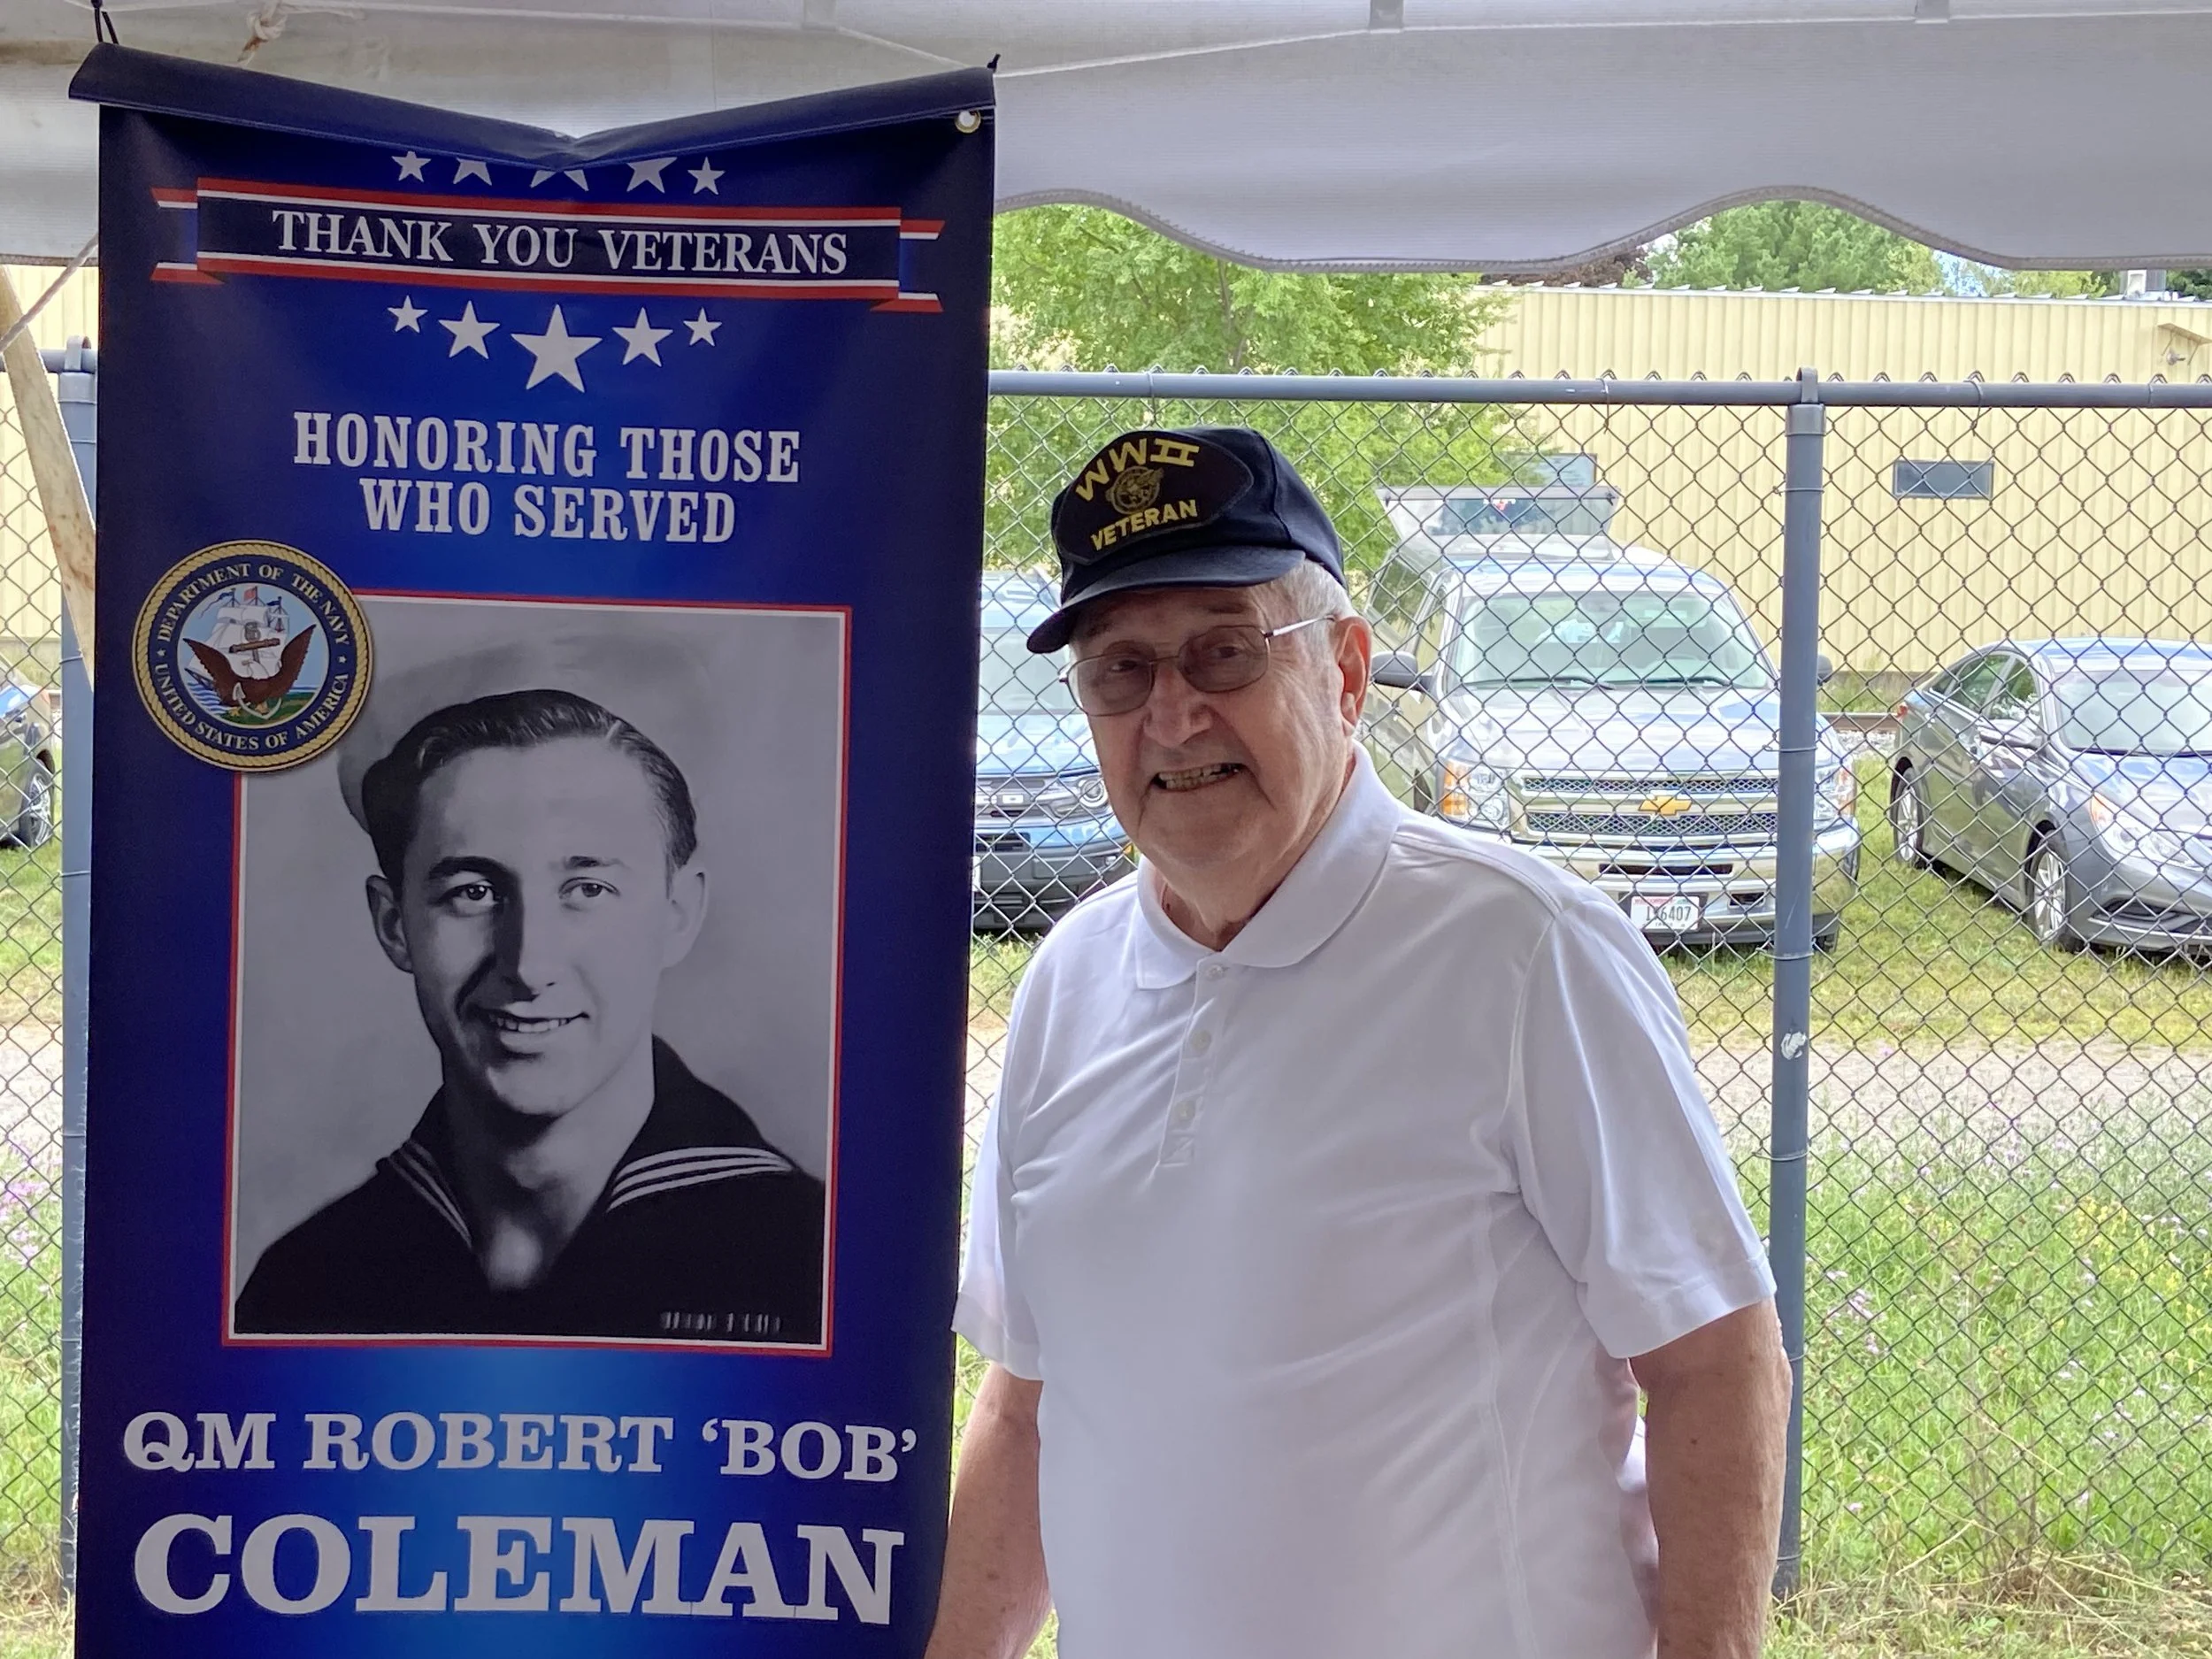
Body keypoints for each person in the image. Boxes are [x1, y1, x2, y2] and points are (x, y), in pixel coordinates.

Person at [930, 427, 1793, 1658]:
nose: (1173, 712)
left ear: (1344, 669)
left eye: (1224, 649)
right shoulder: (1068, 979)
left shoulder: (1524, 950)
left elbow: (1717, 1359)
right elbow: (1027, 1407)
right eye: (1120, 668)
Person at [234, 687, 825, 1345]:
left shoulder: (809, 1260)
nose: (528, 962)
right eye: (474, 891)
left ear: (678, 915)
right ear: (395, 923)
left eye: (587, 889)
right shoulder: (306, 1281)